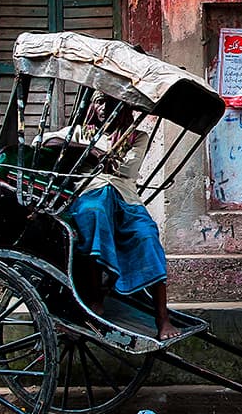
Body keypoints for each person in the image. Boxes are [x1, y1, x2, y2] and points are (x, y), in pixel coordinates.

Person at [46, 94, 179, 341]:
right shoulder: (81, 133)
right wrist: (89, 150)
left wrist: (101, 156)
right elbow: (46, 141)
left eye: (111, 102)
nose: (104, 108)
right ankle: (96, 297)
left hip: (126, 199)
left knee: (147, 235)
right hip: (91, 195)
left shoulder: (136, 136)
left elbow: (126, 169)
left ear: (125, 106)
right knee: (95, 215)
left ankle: (162, 317)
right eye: (98, 101)